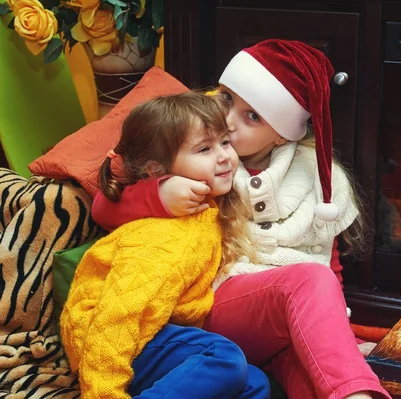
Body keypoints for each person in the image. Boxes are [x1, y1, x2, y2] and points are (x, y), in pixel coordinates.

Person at [92, 40, 391, 399]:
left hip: (279, 320)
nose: (229, 122)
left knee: (313, 372)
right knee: (309, 280)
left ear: (282, 133)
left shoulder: (319, 176)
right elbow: (104, 207)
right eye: (227, 99)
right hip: (214, 306)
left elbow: (325, 257)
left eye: (253, 117)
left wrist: (334, 332)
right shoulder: (197, 153)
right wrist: (159, 194)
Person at [60, 92, 270, 399]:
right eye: (204, 149)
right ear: (156, 170)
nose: (224, 156)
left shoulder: (204, 211)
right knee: (223, 358)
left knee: (254, 382)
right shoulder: (164, 240)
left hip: (153, 334)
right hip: (106, 340)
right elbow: (117, 316)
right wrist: (103, 391)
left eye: (225, 142)